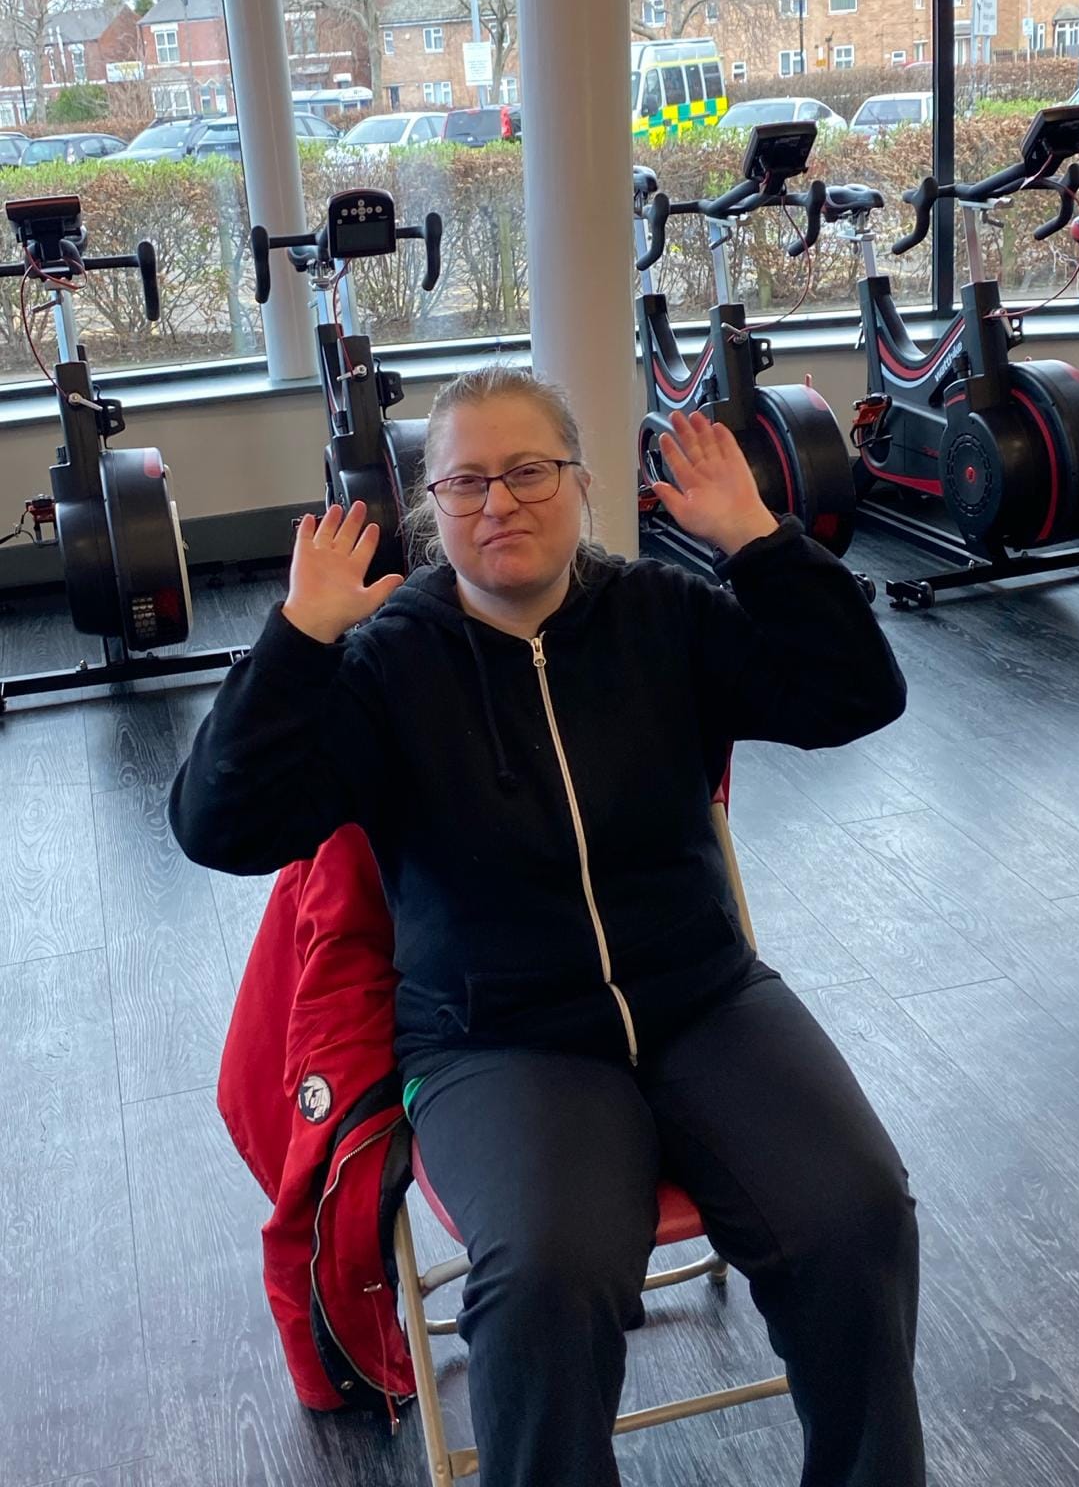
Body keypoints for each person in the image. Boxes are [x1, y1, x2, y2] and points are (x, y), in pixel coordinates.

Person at [169, 365, 924, 1487]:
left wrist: (760, 543)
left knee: (859, 1217)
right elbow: (217, 826)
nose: (500, 502)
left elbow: (856, 694)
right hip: (496, 1040)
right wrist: (299, 641)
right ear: (430, 505)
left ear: (580, 483)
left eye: (529, 471)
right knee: (543, 1282)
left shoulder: (661, 612)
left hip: (704, 1000)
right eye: (466, 481)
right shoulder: (385, 663)